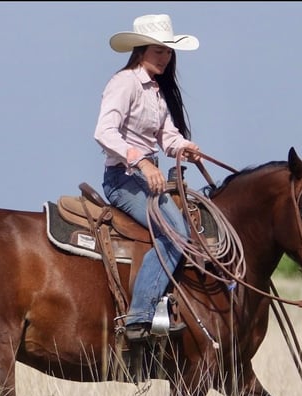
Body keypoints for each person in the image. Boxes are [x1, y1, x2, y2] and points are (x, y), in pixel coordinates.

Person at [94, 14, 201, 342]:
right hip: (123, 179)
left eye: (168, 52)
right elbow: (104, 132)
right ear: (140, 50)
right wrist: (142, 162)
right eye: (159, 51)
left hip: (144, 178)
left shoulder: (156, 92)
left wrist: (185, 147)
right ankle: (140, 313)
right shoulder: (124, 83)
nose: (165, 58)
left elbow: (167, 135)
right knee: (177, 234)